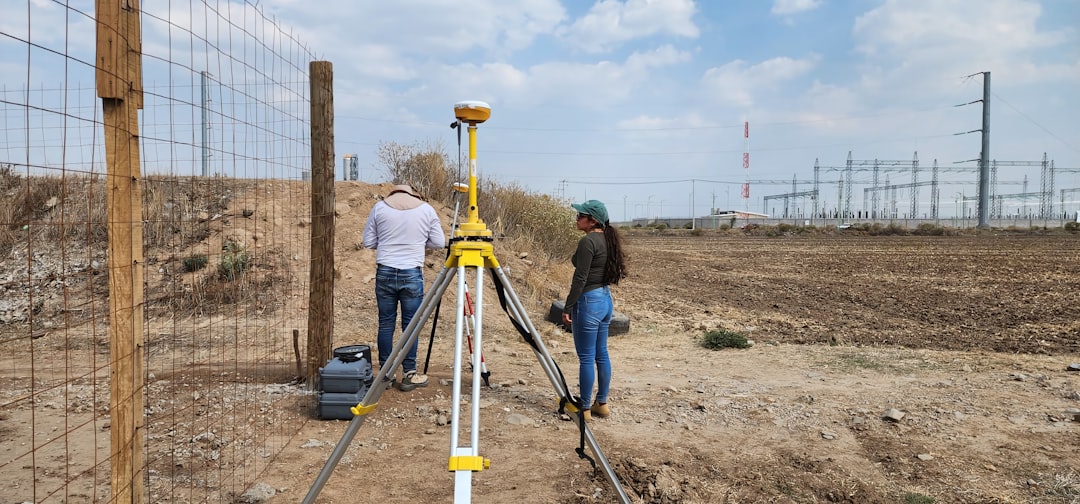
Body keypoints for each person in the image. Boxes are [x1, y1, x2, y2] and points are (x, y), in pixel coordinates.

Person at [362, 184, 446, 391]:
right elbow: (439, 242)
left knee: (386, 324)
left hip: (386, 271)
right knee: (411, 325)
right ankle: (409, 373)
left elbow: (368, 242)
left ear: (393, 194)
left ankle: (385, 374)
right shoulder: (426, 209)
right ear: (413, 194)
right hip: (411, 273)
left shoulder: (379, 208)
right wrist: (418, 242)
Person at [561, 199, 627, 420]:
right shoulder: (608, 241)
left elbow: (580, 278)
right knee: (602, 354)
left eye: (581, 215)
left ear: (593, 221)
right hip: (605, 300)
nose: (577, 218)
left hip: (589, 302)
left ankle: (584, 409)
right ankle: (602, 403)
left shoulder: (588, 242)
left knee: (587, 357)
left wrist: (568, 306)